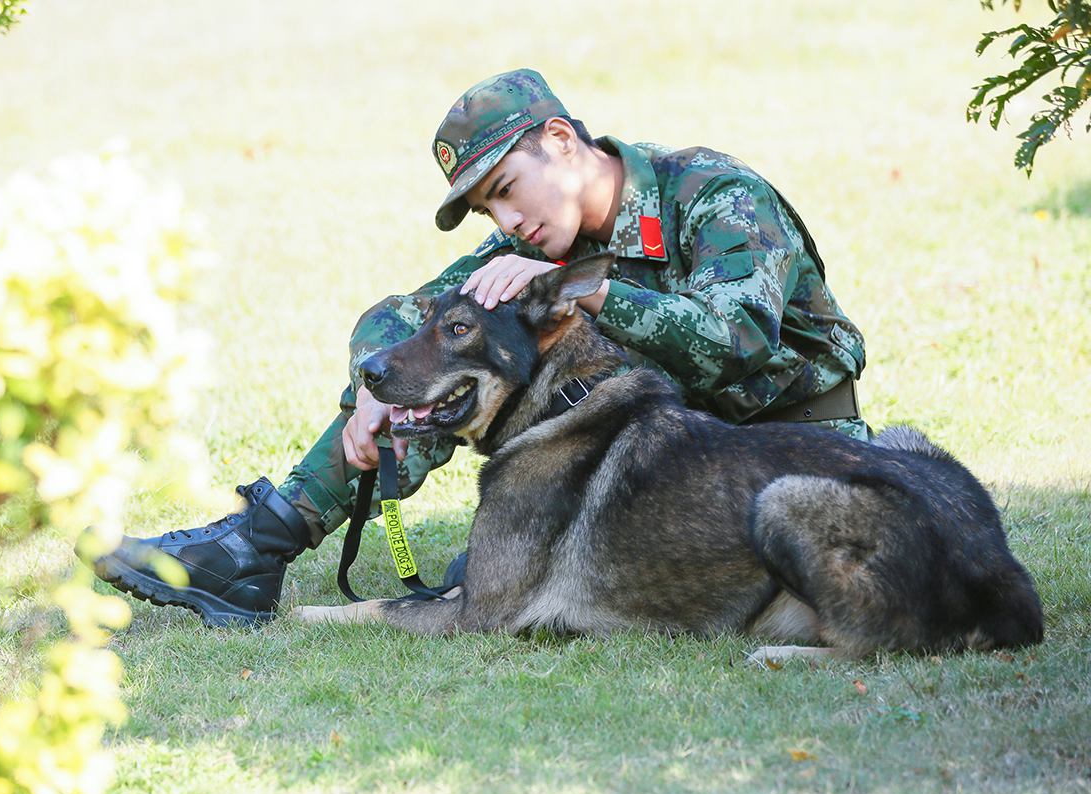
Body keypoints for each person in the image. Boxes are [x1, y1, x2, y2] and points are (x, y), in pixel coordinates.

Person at [88, 69, 870, 626]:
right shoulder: (533, 244)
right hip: (651, 465)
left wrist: (592, 289)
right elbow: (409, 317)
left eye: (504, 187)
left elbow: (735, 342)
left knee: (492, 581)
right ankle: (259, 545)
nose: (505, 221)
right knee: (449, 370)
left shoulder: (714, 194)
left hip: (790, 451)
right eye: (485, 209)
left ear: (561, 141)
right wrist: (372, 388)